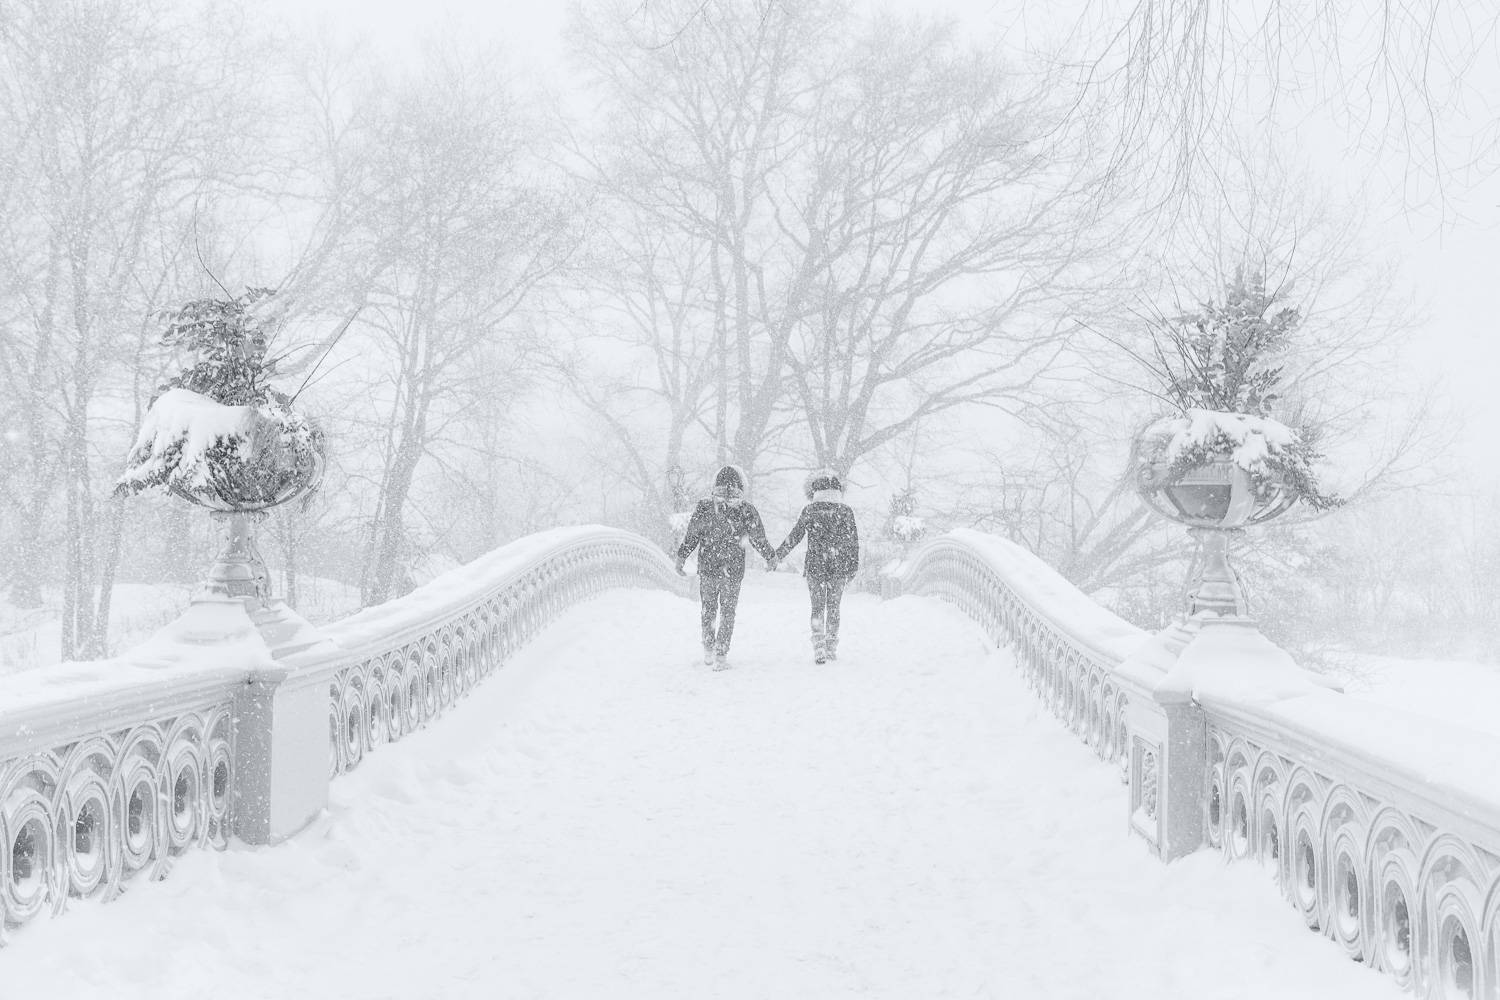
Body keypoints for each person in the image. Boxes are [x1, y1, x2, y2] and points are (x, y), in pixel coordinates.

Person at [675, 465, 777, 670]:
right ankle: (721, 654)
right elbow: (757, 538)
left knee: (708, 610)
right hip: (733, 569)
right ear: (741, 485)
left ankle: (708, 651)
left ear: (716, 485)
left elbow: (693, 535)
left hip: (708, 567)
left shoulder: (705, 507)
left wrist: (681, 557)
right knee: (728, 612)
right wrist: (770, 557)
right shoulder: (746, 509)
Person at [774, 470, 859, 664]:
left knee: (817, 607)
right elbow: (853, 542)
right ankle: (831, 646)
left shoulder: (810, 510)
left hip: (815, 567)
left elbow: (795, 536)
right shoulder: (845, 511)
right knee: (834, 608)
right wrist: (853, 566)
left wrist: (777, 555)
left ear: (815, 491)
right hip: (839, 567)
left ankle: (819, 646)